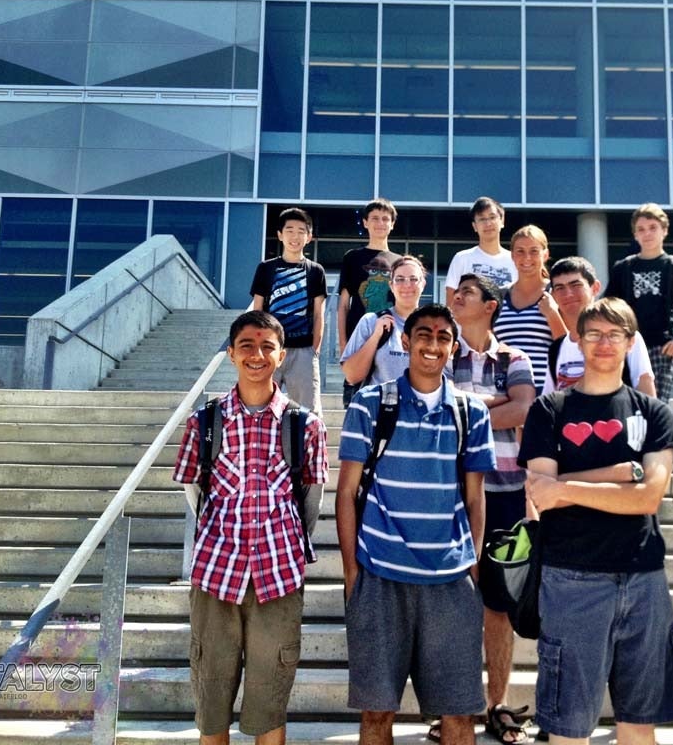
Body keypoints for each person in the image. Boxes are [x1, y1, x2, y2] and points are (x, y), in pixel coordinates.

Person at [518, 297, 673, 745]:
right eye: (594, 333)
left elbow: (650, 495)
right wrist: (618, 476)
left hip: (643, 577)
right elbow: (540, 495)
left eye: (616, 334)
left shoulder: (654, 413)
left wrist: (566, 486)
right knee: (568, 726)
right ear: (578, 339)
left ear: (631, 343)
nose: (604, 343)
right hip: (570, 578)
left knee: (639, 723)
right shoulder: (549, 410)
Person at [336, 303, 496, 745]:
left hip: (450, 581)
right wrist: (352, 572)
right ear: (405, 341)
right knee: (375, 716)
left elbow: (474, 497)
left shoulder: (471, 412)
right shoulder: (370, 404)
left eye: (443, 337)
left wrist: (473, 564)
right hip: (380, 575)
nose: (432, 344)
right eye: (423, 334)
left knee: (459, 718)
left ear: (453, 346)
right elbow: (346, 492)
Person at [173, 311, 329, 745]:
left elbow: (311, 499)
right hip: (215, 575)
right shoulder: (205, 421)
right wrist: (219, 533)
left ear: (281, 355)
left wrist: (288, 544)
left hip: (278, 578)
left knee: (269, 703)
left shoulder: (305, 425)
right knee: (212, 704)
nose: (256, 355)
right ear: (231, 354)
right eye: (246, 345)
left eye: (266, 347)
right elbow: (193, 489)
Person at [450, 274, 536, 745]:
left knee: (498, 606)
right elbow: (441, 411)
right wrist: (496, 403)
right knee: (456, 604)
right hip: (453, 496)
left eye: (466, 293)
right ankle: (456, 708)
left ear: (489, 305)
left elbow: (525, 409)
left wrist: (472, 408)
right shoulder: (443, 353)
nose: (457, 298)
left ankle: (496, 704)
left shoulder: (514, 358)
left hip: (506, 493)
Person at [603, 202, 673, 404]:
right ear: (635, 234)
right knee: (623, 405)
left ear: (664, 231)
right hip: (627, 345)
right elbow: (608, 306)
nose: (647, 234)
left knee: (655, 408)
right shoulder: (623, 267)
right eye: (641, 229)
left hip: (661, 347)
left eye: (653, 228)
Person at [249, 207, 326, 414]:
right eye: (290, 230)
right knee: (259, 406)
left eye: (301, 231)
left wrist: (314, 350)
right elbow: (258, 310)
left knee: (308, 413)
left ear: (309, 237)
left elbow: (319, 314)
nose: (295, 236)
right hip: (269, 350)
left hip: (303, 351)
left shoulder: (315, 270)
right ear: (280, 235)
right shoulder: (266, 268)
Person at [543, 256, 655, 398]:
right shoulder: (556, 349)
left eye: (575, 285)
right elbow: (549, 400)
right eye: (560, 288)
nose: (568, 294)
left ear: (595, 288)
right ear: (553, 295)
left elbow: (646, 392)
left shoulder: (622, 337)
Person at [337, 198, 402, 406]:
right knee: (355, 404)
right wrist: (343, 343)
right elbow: (343, 305)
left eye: (385, 219)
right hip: (359, 338)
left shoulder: (400, 261)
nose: (380, 223)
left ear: (392, 224)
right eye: (374, 218)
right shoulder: (352, 257)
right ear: (365, 222)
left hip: (390, 343)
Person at [493, 225, 567, 395]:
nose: (527, 258)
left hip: (545, 392)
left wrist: (552, 314)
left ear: (545, 254)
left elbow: (567, 346)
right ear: (512, 256)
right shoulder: (499, 295)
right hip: (504, 392)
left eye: (534, 251)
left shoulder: (556, 292)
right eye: (520, 251)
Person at [340, 255, 427, 390]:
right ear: (391, 285)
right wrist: (375, 337)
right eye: (399, 279)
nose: (407, 285)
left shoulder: (434, 326)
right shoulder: (371, 321)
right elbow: (352, 376)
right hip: (381, 408)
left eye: (414, 279)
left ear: (423, 284)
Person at [445, 196, 517, 305]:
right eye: (482, 219)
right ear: (474, 226)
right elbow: (451, 302)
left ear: (502, 221)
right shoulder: (462, 259)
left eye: (492, 217)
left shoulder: (515, 260)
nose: (488, 223)